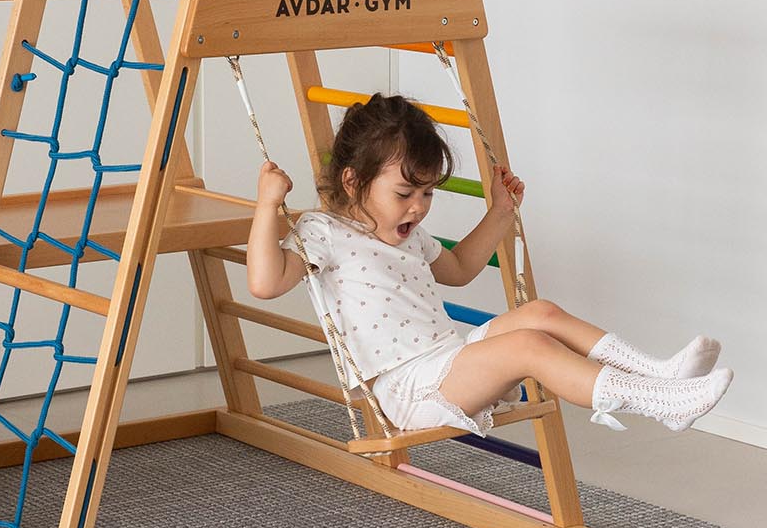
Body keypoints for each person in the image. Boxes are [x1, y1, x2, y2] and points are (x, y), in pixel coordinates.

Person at [246, 93, 733, 438]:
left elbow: (458, 269)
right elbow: (265, 283)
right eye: (404, 193)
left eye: (426, 193)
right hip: (408, 389)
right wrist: (268, 206)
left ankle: (661, 376)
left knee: (540, 314)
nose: (418, 207)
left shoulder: (405, 235)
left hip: (448, 357)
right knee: (528, 346)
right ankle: (658, 403)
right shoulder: (323, 233)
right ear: (352, 182)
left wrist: (500, 211)